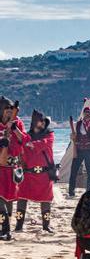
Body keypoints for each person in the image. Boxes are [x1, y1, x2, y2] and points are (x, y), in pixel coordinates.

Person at [15, 110, 55, 233]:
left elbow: (41, 144)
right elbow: (20, 149)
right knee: (21, 198)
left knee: (46, 201)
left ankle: (46, 225)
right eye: (40, 120)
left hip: (44, 174)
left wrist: (27, 142)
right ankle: (18, 225)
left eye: (44, 121)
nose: (43, 123)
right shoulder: (27, 136)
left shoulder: (49, 135)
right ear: (35, 122)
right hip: (28, 174)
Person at [0, 96, 25, 240]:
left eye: (11, 108)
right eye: (6, 108)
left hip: (11, 168)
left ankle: (4, 229)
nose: (9, 111)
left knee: (8, 200)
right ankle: (5, 230)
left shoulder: (18, 123)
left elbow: (24, 140)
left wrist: (14, 129)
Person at [68, 107, 90, 198]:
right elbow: (73, 136)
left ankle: (88, 192)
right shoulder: (78, 124)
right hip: (79, 150)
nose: (87, 114)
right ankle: (71, 192)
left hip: (89, 151)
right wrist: (72, 136)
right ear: (83, 113)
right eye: (86, 112)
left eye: (89, 112)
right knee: (73, 171)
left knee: (89, 172)